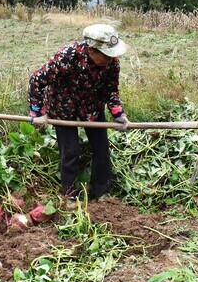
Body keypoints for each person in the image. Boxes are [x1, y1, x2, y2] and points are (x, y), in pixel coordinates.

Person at [28, 24, 128, 201]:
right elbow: (37, 79)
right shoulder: (68, 56)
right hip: (63, 105)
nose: (111, 59)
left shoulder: (112, 64)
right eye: (106, 55)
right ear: (92, 50)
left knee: (102, 149)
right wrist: (37, 113)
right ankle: (69, 196)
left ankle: (101, 192)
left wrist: (118, 114)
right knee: (71, 151)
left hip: (91, 105)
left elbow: (111, 90)